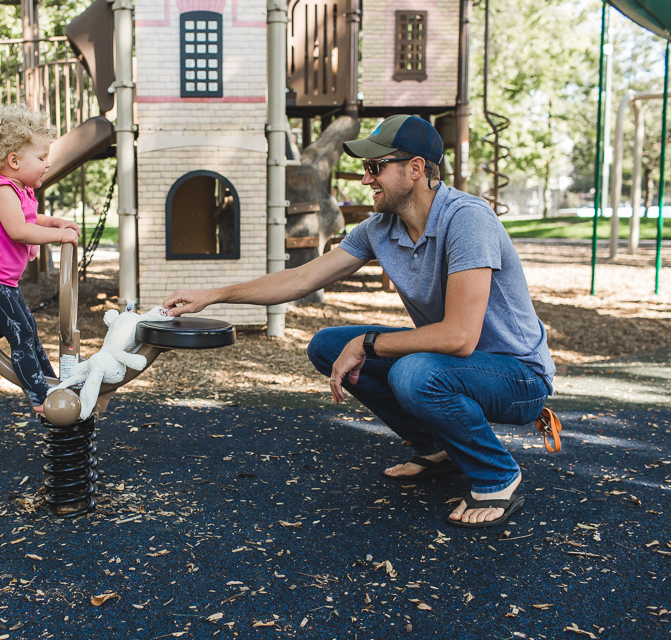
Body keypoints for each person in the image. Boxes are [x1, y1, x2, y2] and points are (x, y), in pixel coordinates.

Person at [163, 114, 556, 529]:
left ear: (416, 168)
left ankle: (496, 476)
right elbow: (301, 278)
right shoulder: (380, 228)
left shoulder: (467, 219)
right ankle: (438, 448)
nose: (366, 179)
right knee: (328, 345)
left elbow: (460, 337)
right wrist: (214, 296)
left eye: (375, 167)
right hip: (454, 364)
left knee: (414, 373)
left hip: (518, 376)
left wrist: (368, 344)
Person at [0, 104, 80, 412]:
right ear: (13, 160)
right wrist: (61, 236)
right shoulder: (0, 188)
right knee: (21, 332)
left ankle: (51, 381)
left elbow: (32, 218)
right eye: (41, 158)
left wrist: (54, 223)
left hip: (1, 282)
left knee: (29, 329)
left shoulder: (20, 190)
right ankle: (40, 396)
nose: (48, 164)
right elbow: (19, 230)